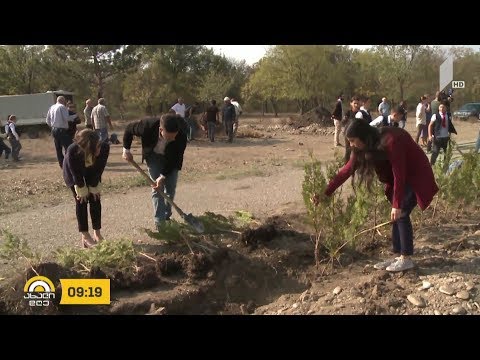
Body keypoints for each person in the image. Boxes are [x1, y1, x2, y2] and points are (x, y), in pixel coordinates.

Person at [324, 120, 439, 272]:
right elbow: (346, 170)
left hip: (415, 175)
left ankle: (406, 258)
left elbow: (400, 173)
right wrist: (325, 192)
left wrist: (396, 204)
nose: (351, 145)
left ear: (363, 136)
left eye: (352, 141)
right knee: (395, 215)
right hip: (399, 179)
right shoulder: (363, 146)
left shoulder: (392, 139)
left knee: (401, 212)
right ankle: (398, 255)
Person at [122, 114, 187, 228]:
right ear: (161, 130)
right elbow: (128, 129)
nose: (173, 139)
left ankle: (166, 215)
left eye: (174, 136)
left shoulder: (181, 133)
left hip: (171, 159)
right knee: (157, 188)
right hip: (153, 157)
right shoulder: (147, 125)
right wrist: (126, 149)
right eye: (169, 136)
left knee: (170, 188)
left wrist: (163, 176)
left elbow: (176, 158)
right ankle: (160, 223)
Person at [63, 129, 110, 248]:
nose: (98, 150)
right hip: (74, 175)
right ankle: (85, 236)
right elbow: (76, 174)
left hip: (93, 172)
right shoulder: (73, 150)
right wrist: (82, 189)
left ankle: (97, 233)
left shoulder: (104, 147)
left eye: (99, 146)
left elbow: (99, 169)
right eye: (95, 149)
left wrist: (94, 186)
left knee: (95, 199)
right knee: (81, 201)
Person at [46, 95, 78, 168]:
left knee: (58, 148)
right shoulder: (62, 107)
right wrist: (74, 116)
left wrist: (53, 125)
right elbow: (66, 118)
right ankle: (69, 163)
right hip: (61, 130)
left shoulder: (52, 107)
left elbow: (47, 120)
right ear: (63, 101)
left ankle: (62, 165)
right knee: (69, 147)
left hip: (54, 129)